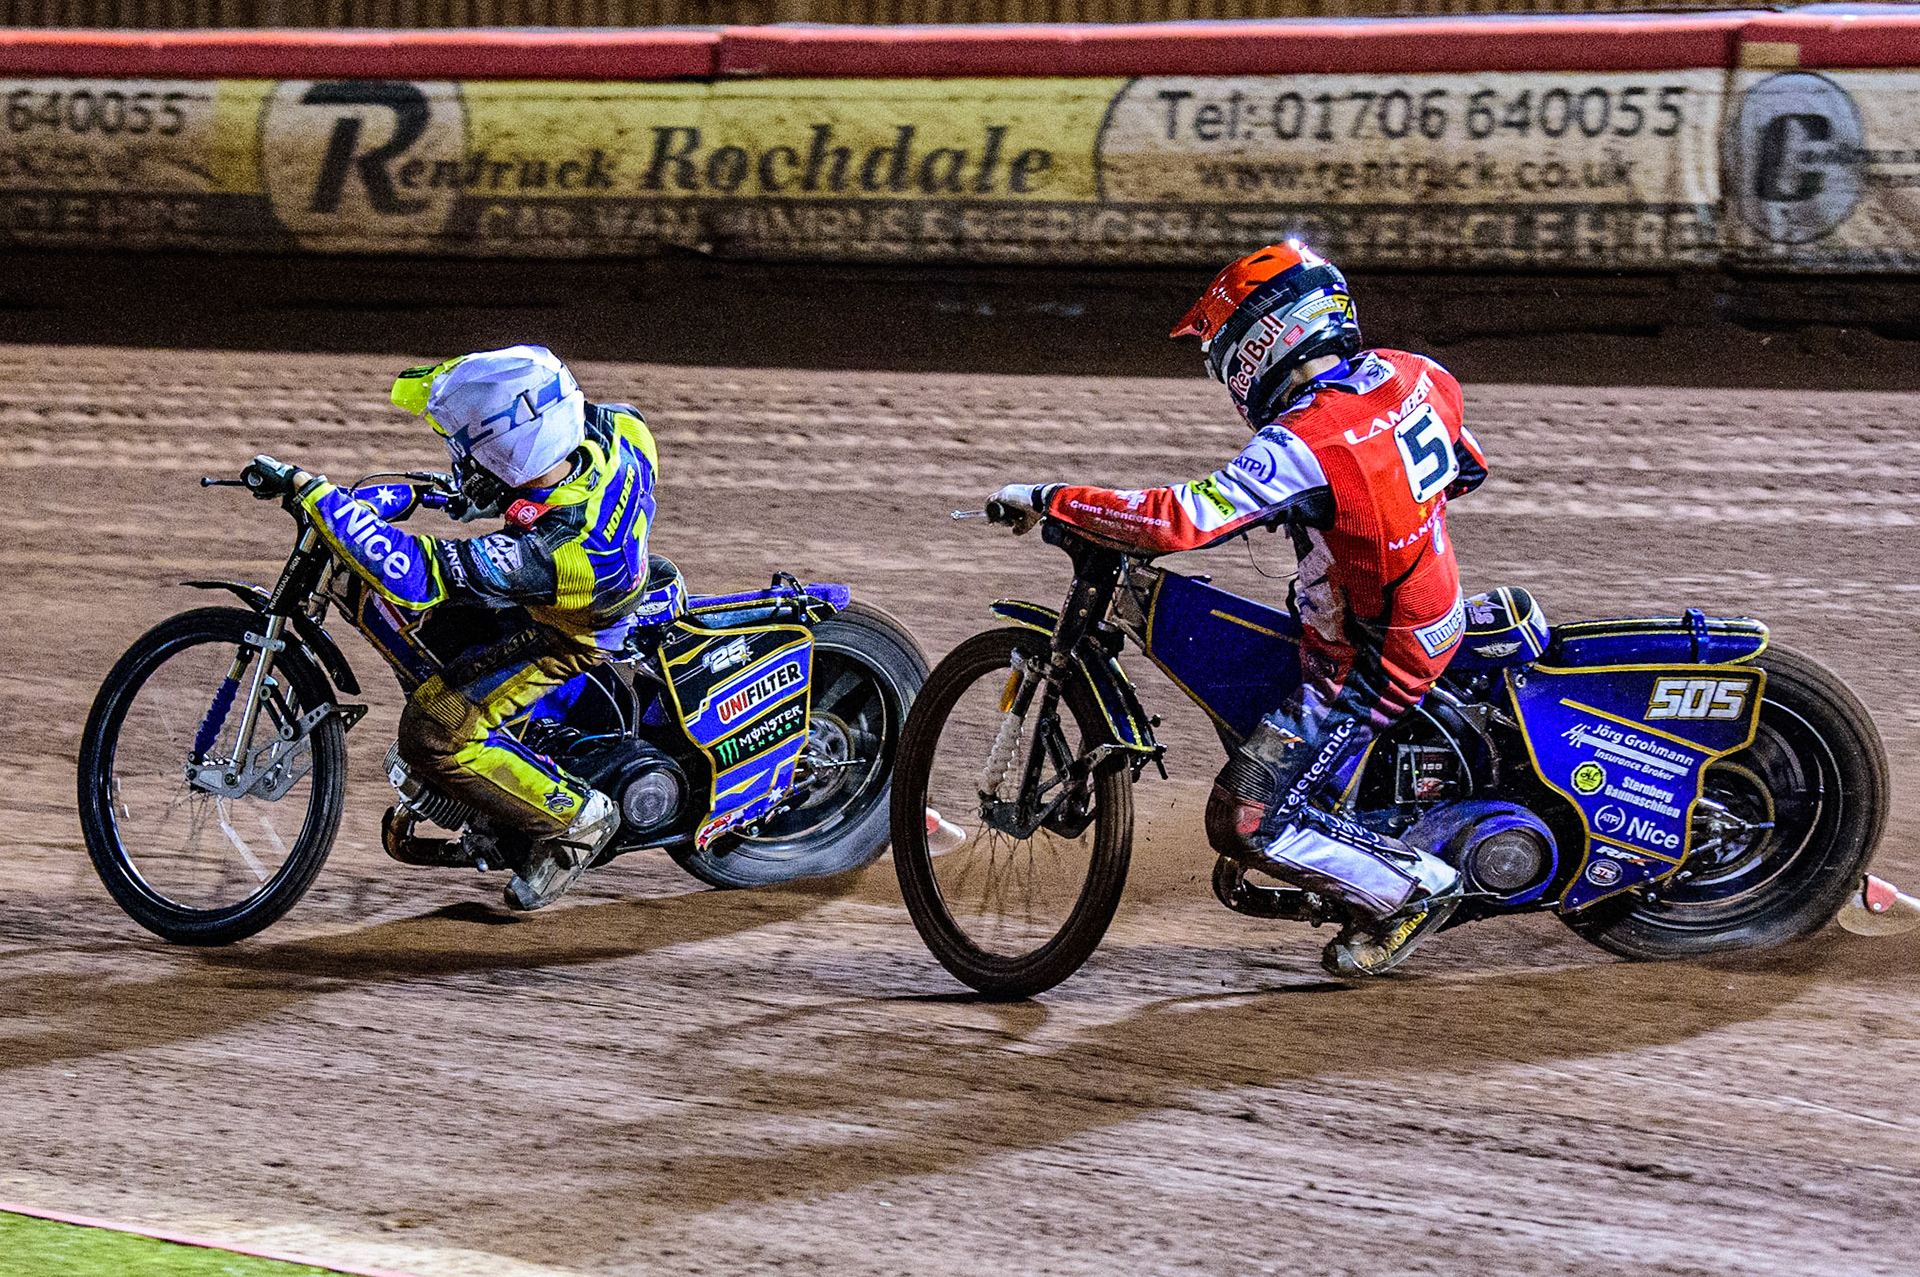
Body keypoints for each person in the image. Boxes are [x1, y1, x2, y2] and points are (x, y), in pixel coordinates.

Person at [987, 241, 1488, 976]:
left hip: (1369, 660)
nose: (1225, 371)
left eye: (1225, 352)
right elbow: (1466, 468)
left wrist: (1051, 497)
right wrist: (1359, 517)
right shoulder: (1419, 374)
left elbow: (1176, 520)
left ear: (1268, 338)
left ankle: (1413, 888)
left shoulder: (1305, 441)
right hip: (1421, 608)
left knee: (1244, 819)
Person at [243, 345, 657, 912]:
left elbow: (417, 575)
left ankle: (576, 819)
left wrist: (315, 494)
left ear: (513, 448)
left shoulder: (553, 550)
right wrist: (427, 491)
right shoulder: (618, 430)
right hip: (603, 580)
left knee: (430, 733)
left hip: (568, 632)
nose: (458, 457)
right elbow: (511, 487)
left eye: (467, 448)